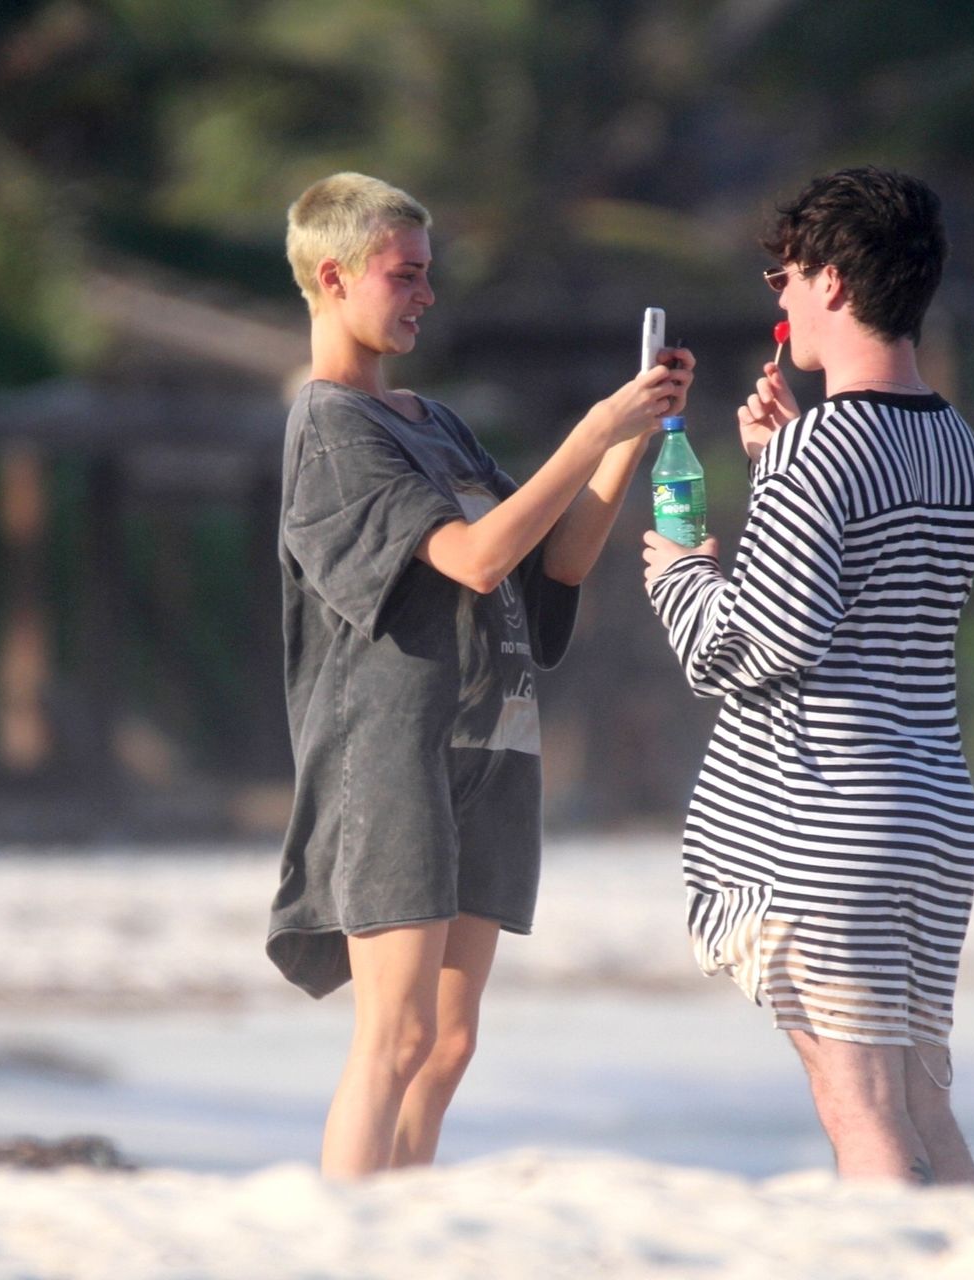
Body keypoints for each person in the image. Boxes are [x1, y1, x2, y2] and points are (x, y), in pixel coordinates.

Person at [270, 172, 694, 1178]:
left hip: (491, 746)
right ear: (333, 277)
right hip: (393, 757)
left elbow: (558, 559)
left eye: (429, 273)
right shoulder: (331, 426)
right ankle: (348, 1233)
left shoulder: (435, 420)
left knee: (449, 1045)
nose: (426, 294)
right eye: (405, 274)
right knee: (397, 1037)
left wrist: (627, 441)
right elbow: (473, 557)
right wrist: (590, 430)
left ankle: (403, 1222)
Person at [640, 166, 974, 1185]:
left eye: (787, 275)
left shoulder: (820, 451)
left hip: (829, 815)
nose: (782, 297)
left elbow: (758, 644)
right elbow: (867, 602)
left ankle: (892, 1254)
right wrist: (777, 465)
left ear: (832, 281)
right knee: (920, 1100)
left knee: (860, 1110)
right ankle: (968, 1253)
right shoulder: (959, 445)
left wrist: (680, 573)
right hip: (932, 812)